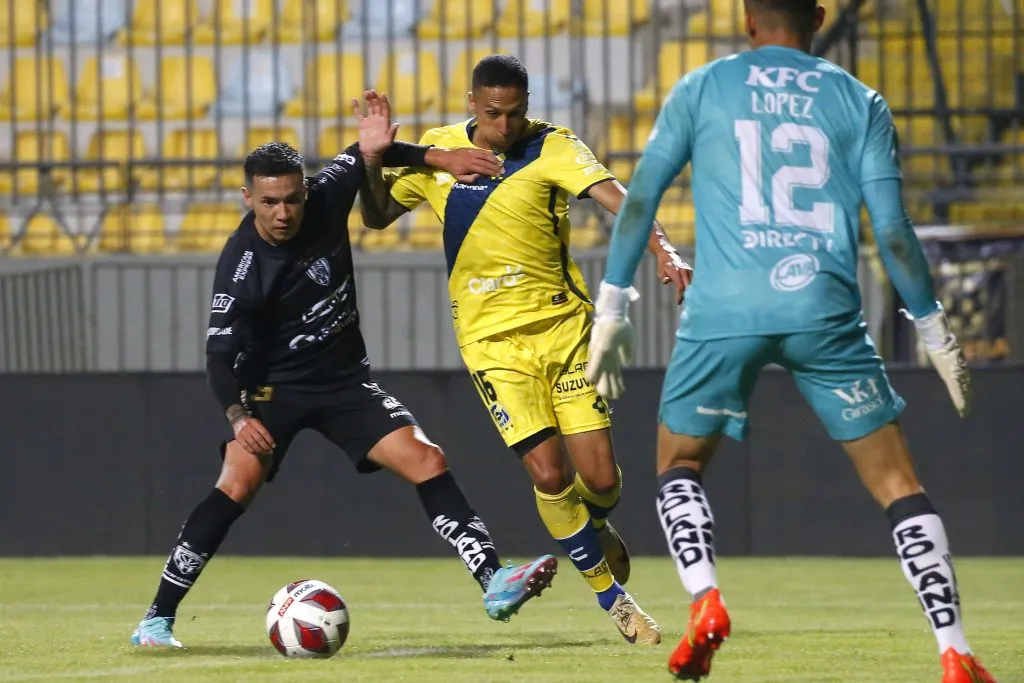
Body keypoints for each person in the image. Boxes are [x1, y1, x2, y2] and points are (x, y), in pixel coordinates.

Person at [586, 1, 996, 681]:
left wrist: (613, 306)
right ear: (820, 17)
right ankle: (953, 649)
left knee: (678, 466)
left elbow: (639, 202)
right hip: (822, 304)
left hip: (723, 307)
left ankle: (706, 599)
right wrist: (935, 329)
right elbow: (893, 231)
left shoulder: (702, 86)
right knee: (898, 484)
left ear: (749, 20)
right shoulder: (858, 99)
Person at [130, 92, 559, 649]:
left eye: (290, 199)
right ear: (248, 199)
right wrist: (239, 417)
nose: (282, 213)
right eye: (268, 202)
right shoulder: (242, 268)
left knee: (428, 459)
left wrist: (443, 159)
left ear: (304, 190)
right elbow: (217, 357)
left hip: (344, 383)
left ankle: (495, 581)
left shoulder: (327, 196)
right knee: (236, 484)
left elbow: (370, 151)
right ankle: (157, 619)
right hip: (270, 393)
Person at [359, 55, 691, 645]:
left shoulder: (554, 147)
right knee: (548, 472)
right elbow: (379, 216)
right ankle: (613, 601)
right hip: (492, 345)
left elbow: (625, 200)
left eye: (516, 113)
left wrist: (664, 249)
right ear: (471, 103)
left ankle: (594, 523)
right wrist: (374, 157)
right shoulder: (439, 153)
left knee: (603, 481)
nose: (506, 126)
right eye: (493, 113)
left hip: (564, 334)